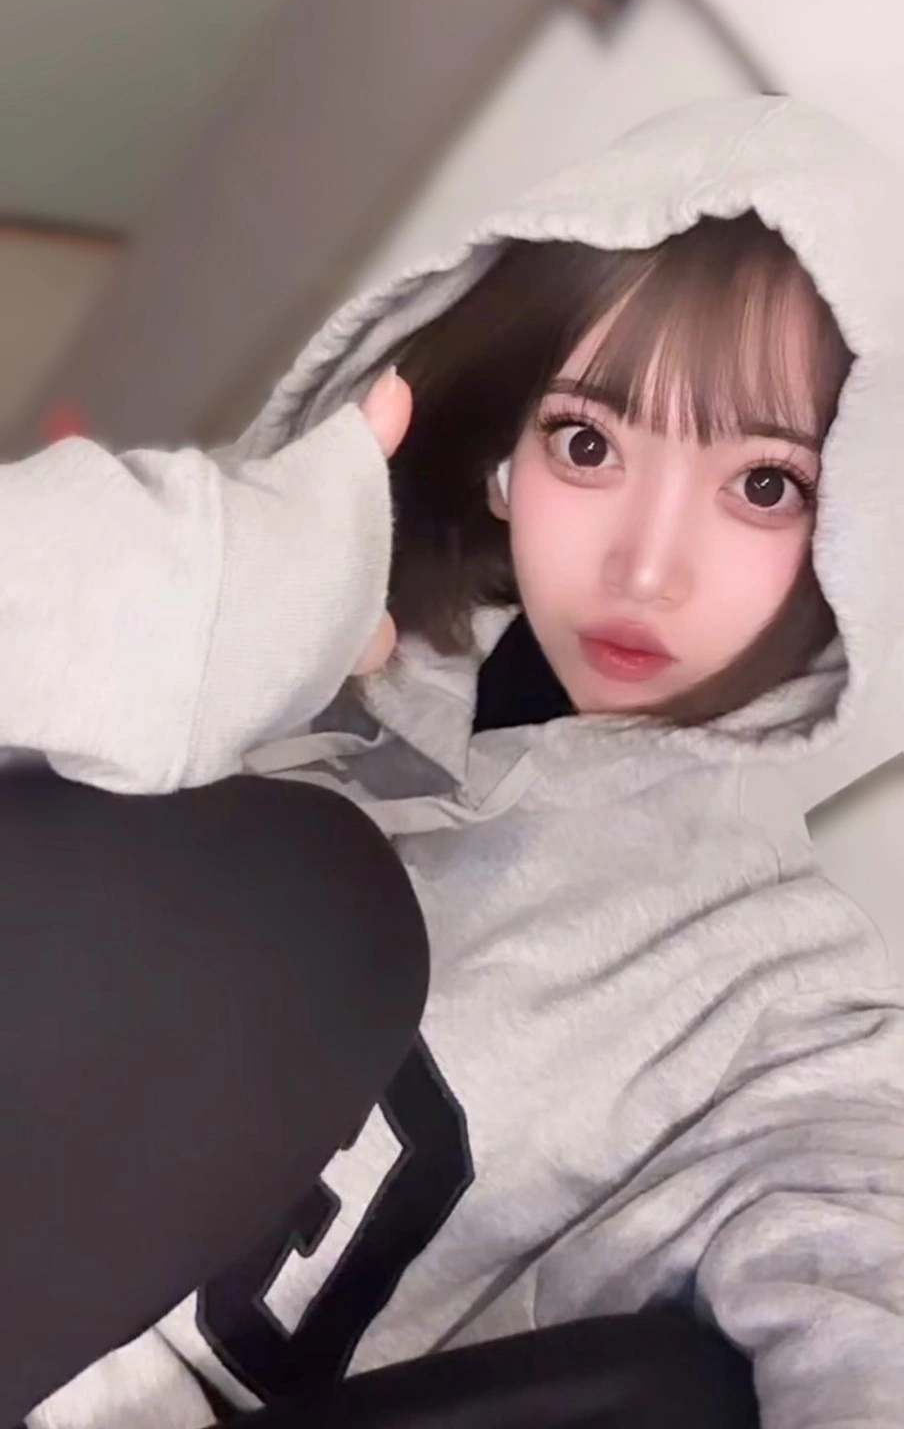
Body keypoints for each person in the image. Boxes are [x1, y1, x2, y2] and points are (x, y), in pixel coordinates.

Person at [8, 96, 904, 1428]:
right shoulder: (268, 649)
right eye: (588, 444)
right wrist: (172, 596)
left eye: (764, 484)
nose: (645, 567)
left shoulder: (783, 1013)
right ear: (503, 464)